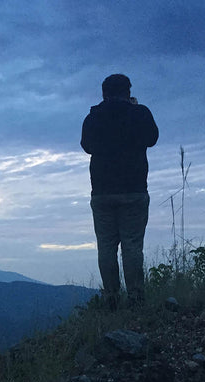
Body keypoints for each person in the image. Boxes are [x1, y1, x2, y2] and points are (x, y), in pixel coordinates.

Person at [80, 74, 158, 309]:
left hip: (102, 191)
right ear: (128, 91)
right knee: (132, 245)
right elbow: (152, 138)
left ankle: (111, 299)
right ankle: (135, 298)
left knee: (106, 246)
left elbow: (87, 146)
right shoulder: (140, 113)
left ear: (104, 93)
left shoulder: (93, 117)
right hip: (133, 189)